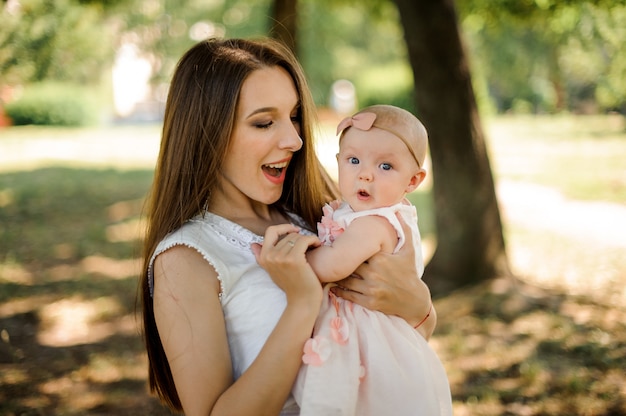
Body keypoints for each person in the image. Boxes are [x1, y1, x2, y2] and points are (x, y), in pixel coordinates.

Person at [139, 37, 436, 416]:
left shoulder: (326, 210)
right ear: (206, 132)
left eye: (294, 116)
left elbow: (407, 343)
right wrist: (302, 302)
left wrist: (421, 307)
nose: (295, 140)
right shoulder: (186, 260)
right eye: (264, 122)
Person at [292, 105, 452, 415]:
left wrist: (295, 254)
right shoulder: (359, 213)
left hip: (370, 342)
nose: (365, 173)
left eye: (386, 166)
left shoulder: (374, 223)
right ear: (338, 162)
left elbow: (331, 266)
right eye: (354, 160)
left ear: (413, 180)